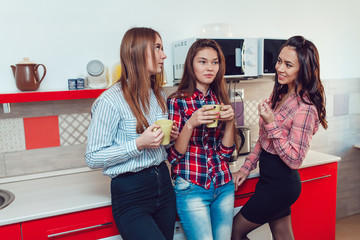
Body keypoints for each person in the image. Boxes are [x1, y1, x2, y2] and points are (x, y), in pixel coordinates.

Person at [85, 27, 178, 240]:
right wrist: (138, 144)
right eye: (157, 48)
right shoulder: (109, 101)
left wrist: (168, 139)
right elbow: (92, 157)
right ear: (136, 52)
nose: (163, 55)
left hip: (163, 185)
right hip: (131, 193)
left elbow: (161, 147)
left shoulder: (159, 94)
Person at [231, 35, 328, 240]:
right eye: (279, 61)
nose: (279, 68)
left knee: (234, 232)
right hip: (270, 181)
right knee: (283, 237)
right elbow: (264, 141)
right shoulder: (280, 94)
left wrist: (271, 123)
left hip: (281, 184)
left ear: (303, 69)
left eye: (288, 64)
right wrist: (245, 168)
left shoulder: (306, 108)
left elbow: (294, 160)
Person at [167, 39, 237, 240]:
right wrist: (190, 123)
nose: (210, 68)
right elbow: (172, 157)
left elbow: (225, 153)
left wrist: (231, 122)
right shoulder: (177, 101)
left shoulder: (220, 98)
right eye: (203, 61)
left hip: (223, 184)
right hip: (191, 186)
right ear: (191, 64)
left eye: (215, 62)